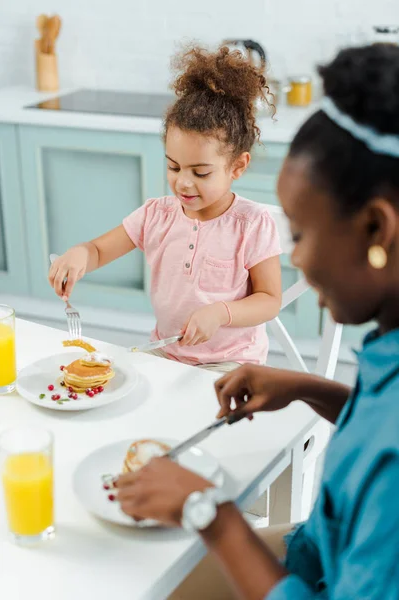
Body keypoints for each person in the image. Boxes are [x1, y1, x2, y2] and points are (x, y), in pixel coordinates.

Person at [113, 43, 399, 599]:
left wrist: (210, 513)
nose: (296, 260)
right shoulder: (388, 344)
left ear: (375, 229)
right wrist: (306, 387)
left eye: (299, 233)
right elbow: (376, 428)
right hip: (314, 553)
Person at [48, 46, 282, 372]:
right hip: (167, 353)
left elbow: (270, 300)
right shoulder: (156, 216)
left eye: (200, 173)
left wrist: (221, 313)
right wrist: (79, 255)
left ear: (237, 166)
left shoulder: (251, 224)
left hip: (232, 364)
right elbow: (99, 250)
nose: (183, 183)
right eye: (174, 167)